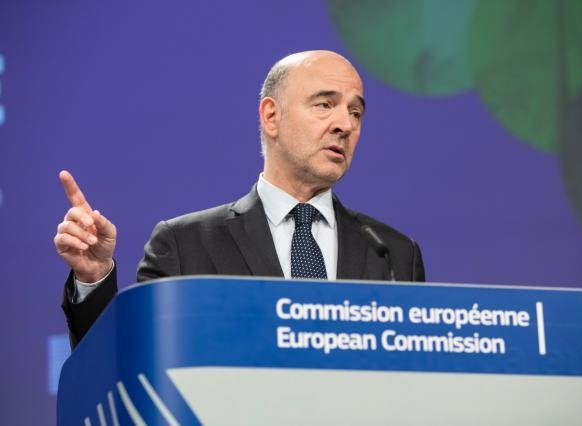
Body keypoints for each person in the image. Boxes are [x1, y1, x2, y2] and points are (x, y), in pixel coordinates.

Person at [54, 50, 425, 348]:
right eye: (325, 105)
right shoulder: (185, 245)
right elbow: (132, 365)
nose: (345, 124)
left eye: (355, 112)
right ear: (271, 116)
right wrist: (95, 278)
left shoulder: (393, 254)